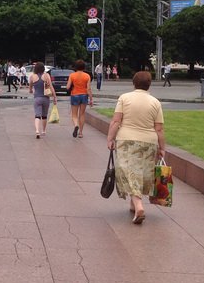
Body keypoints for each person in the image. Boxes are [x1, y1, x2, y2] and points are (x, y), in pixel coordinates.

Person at [106, 71, 166, 225]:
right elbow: (159, 129)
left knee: (128, 172)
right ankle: (133, 205)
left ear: (134, 83)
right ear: (149, 84)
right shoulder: (155, 102)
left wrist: (110, 138)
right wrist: (162, 148)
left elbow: (116, 121)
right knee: (143, 172)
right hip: (149, 142)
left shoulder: (124, 98)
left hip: (126, 140)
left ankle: (138, 206)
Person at [29, 62, 57, 138]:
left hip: (37, 98)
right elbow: (51, 87)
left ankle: (37, 130)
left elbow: (30, 87)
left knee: (37, 116)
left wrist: (31, 90)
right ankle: (43, 131)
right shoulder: (46, 75)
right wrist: (54, 97)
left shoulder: (32, 76)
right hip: (46, 98)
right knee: (44, 115)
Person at [66, 59, 93, 138]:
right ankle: (80, 132)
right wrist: (91, 99)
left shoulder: (72, 75)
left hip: (74, 95)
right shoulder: (87, 76)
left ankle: (76, 125)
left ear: (76, 67)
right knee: (82, 114)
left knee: (74, 115)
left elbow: (67, 87)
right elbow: (88, 89)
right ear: (84, 67)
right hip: (84, 95)